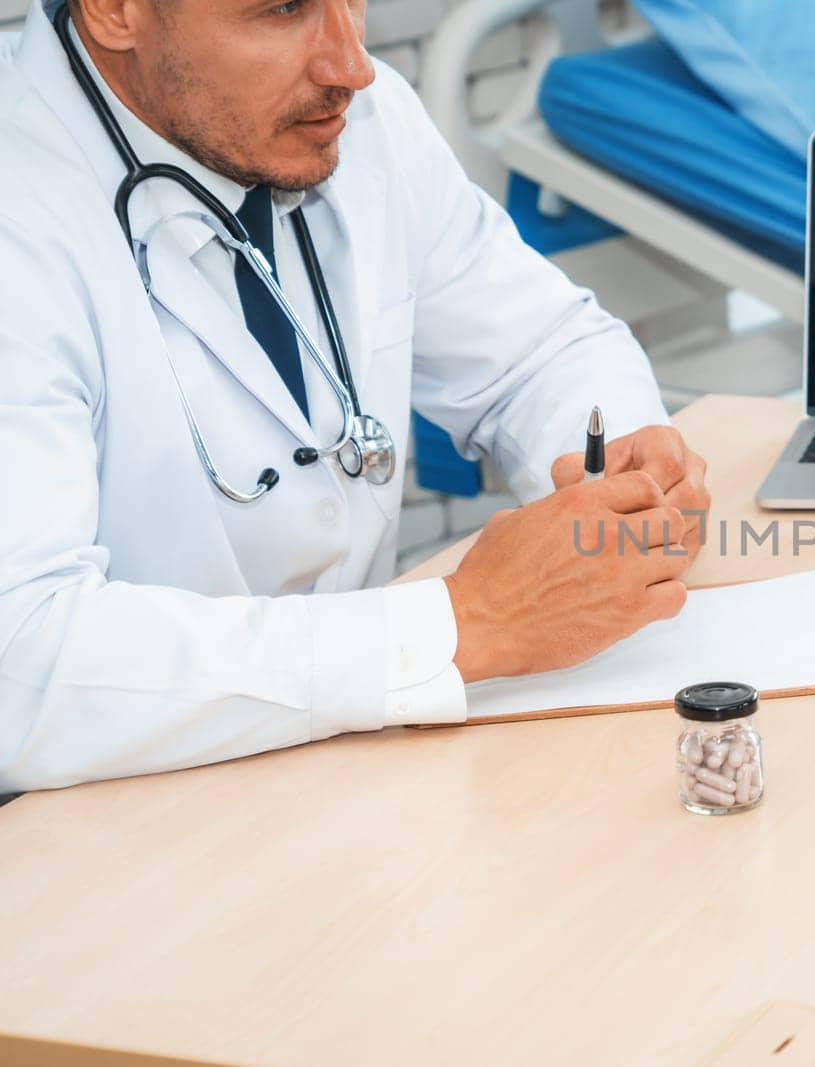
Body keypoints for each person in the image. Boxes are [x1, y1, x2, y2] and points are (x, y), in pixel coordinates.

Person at [0, 0, 710, 793]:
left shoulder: (354, 123)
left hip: (349, 780)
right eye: (282, 10)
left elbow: (543, 349)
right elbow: (20, 659)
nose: (352, 65)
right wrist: (461, 623)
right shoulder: (19, 217)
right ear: (116, 11)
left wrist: (621, 476)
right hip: (103, 839)